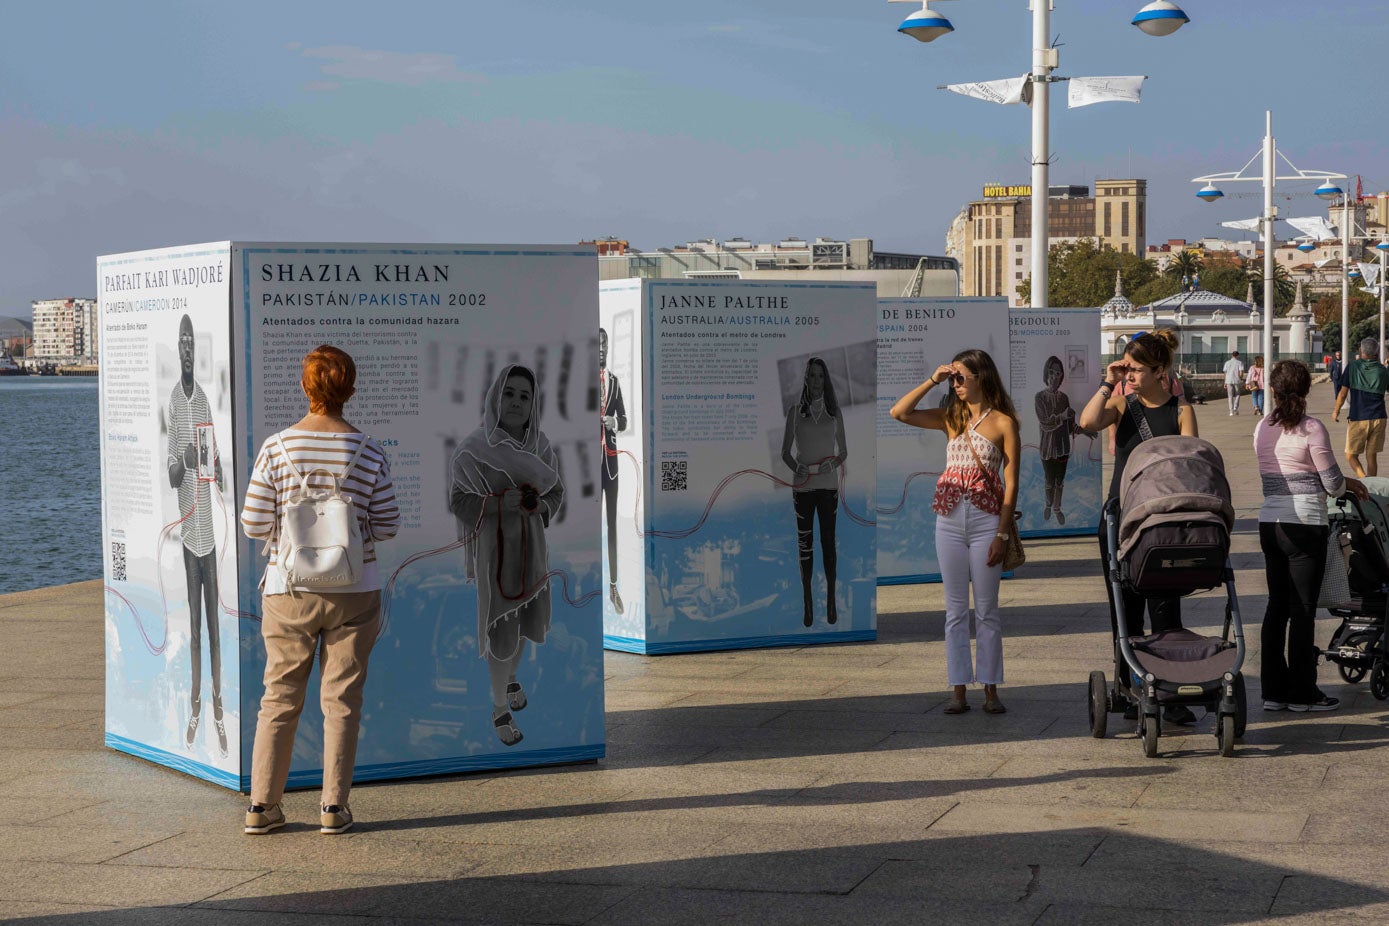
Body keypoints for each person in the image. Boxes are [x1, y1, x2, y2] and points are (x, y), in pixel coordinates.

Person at [240, 345, 400, 836]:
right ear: (349, 389)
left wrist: (288, 532)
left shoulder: (276, 448)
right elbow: (389, 523)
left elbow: (252, 523)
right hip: (355, 590)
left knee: (279, 698)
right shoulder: (369, 450)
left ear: (306, 388)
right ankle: (333, 808)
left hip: (287, 590)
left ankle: (263, 808)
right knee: (343, 699)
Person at [1079, 329, 1200, 725]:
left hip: (1163, 518)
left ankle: (1171, 689)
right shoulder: (1120, 405)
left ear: (1159, 369)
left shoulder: (1181, 411)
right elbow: (1087, 422)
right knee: (1124, 608)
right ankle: (1129, 687)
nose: (1128, 374)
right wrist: (1108, 381)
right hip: (1120, 516)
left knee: (1166, 608)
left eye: (1134, 368)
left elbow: (1190, 462)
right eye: (1125, 366)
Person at [891, 349, 1020, 715]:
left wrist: (1002, 534)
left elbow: (1011, 484)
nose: (956, 384)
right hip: (948, 518)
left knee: (988, 611)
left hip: (986, 521)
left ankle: (992, 689)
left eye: (962, 376)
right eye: (953, 378)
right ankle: (958, 689)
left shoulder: (1004, 423)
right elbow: (899, 413)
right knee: (955, 610)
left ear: (982, 377)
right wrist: (933, 379)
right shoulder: (952, 417)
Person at [450, 364, 564, 747]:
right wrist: (499, 505)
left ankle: (511, 677)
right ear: (496, 398)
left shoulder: (542, 446)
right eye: (509, 394)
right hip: (495, 552)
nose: (516, 402)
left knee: (528, 623)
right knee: (501, 627)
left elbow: (555, 493)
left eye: (524, 396)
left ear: (534, 404)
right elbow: (459, 500)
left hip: (532, 550)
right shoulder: (474, 448)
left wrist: (539, 507)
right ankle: (500, 707)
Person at [1256, 360, 1368, 713]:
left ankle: (1273, 691)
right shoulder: (1311, 428)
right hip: (1304, 523)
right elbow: (1333, 483)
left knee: (1276, 606)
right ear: (1305, 391)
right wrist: (1348, 482)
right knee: (1302, 610)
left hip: (1269, 522)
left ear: (1272, 391)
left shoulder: (1261, 427)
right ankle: (1303, 692)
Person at [166, 315, 227, 756]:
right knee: (194, 628)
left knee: (216, 629)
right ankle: (194, 707)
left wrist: (217, 468)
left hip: (210, 528)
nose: (188, 348)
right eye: (182, 341)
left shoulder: (203, 398)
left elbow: (212, 451)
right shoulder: (175, 400)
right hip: (190, 535)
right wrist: (185, 459)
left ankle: (220, 709)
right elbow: (172, 472)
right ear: (177, 348)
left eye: (192, 341)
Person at [780, 357, 848, 627]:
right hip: (804, 489)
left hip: (829, 487)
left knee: (828, 544)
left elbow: (843, 451)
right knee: (805, 546)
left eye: (821, 376)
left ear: (825, 379)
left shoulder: (835, 412)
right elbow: (785, 453)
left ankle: (830, 601)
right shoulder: (795, 412)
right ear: (806, 380)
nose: (817, 381)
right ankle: (808, 603)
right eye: (812, 376)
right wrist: (797, 467)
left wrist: (836, 461)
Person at [1035, 355, 1084, 525]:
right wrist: (1062, 416)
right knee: (1049, 480)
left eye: (1058, 373)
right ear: (1046, 373)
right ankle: (1048, 504)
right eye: (1052, 372)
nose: (1055, 377)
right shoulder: (1039, 397)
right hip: (1047, 448)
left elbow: (1070, 426)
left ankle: (1057, 508)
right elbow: (1045, 422)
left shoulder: (1064, 398)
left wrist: (1084, 430)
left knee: (1060, 481)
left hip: (1062, 447)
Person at [598, 328, 627, 615]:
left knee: (612, 527)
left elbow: (625, 420)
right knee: (593, 528)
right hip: (590, 465)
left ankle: (614, 587)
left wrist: (613, 422)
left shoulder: (615, 382)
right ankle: (594, 587)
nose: (602, 349)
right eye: (597, 345)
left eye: (605, 344)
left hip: (611, 463)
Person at [1332, 338, 1389, 478]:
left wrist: (1336, 411)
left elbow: (1343, 393)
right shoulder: (1383, 370)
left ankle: (1365, 481)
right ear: (1376, 352)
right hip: (1379, 417)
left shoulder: (1353, 367)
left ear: (1360, 350)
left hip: (1359, 417)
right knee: (1371, 456)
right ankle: (1372, 487)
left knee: (1350, 455)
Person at [1223, 349, 1246, 416]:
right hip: (1237, 380)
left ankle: (1231, 411)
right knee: (1238, 394)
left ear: (1232, 355)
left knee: (1230, 396)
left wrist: (1225, 382)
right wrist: (1241, 378)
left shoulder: (1227, 362)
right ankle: (1235, 407)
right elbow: (1241, 372)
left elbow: (1225, 373)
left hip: (1228, 380)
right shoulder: (1240, 362)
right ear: (1237, 355)